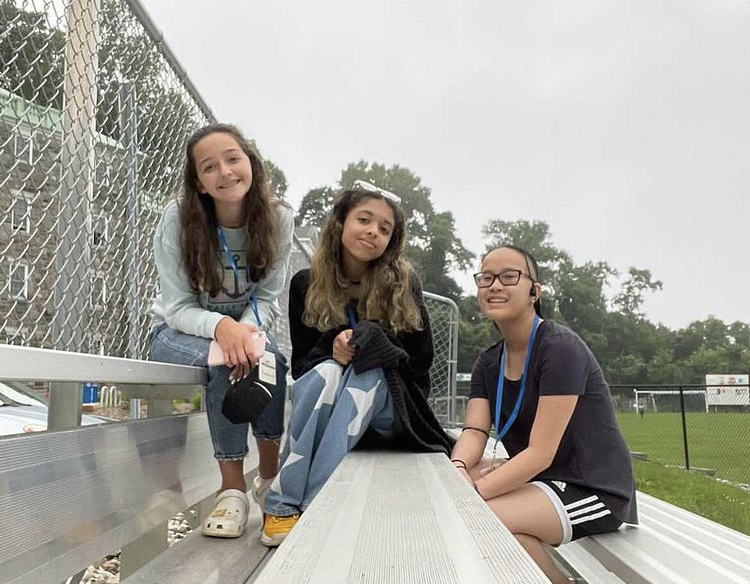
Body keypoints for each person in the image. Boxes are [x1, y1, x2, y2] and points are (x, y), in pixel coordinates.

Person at [260, 187, 454, 546]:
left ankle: (305, 501)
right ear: (340, 223)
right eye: (364, 220)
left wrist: (377, 340)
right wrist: (331, 347)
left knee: (369, 372)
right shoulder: (306, 282)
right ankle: (282, 504)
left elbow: (420, 365)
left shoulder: (404, 283)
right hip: (334, 403)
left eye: (385, 229)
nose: (373, 232)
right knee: (328, 371)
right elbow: (303, 366)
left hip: (393, 410)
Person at [450, 245, 637, 584]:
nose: (495, 285)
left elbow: (540, 452)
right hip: (544, 480)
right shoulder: (488, 361)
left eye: (509, 276)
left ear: (534, 291)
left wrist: (473, 493)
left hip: (593, 487)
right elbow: (475, 431)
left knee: (475, 518)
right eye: (486, 278)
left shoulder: (559, 348)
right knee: (506, 536)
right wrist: (459, 469)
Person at [148, 123, 294, 538]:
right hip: (177, 332)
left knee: (268, 359)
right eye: (209, 167)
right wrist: (222, 328)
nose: (225, 172)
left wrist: (243, 334)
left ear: (250, 162)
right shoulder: (178, 219)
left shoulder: (278, 217)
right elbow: (176, 307)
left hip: (245, 330)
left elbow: (267, 297)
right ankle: (232, 490)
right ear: (199, 182)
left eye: (233, 159)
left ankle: (269, 479)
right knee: (222, 361)